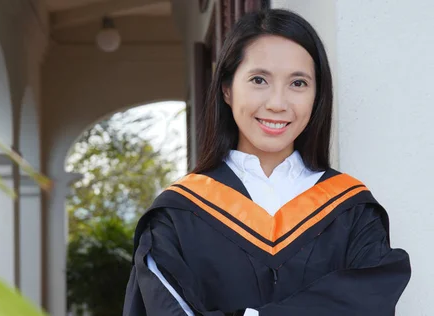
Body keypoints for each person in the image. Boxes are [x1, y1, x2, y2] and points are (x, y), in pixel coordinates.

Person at [122, 8, 411, 316]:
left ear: (317, 96)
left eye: (298, 83)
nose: (277, 103)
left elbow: (370, 303)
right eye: (259, 80)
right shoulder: (177, 215)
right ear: (227, 89)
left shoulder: (353, 210)